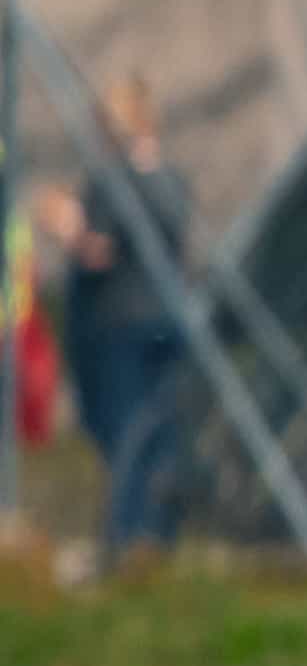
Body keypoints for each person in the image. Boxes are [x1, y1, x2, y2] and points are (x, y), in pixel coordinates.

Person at [43, 74, 200, 565]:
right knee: (158, 432)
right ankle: (156, 535)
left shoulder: (113, 183)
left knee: (121, 430)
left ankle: (127, 538)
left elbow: (99, 251)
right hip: (168, 319)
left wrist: (67, 228)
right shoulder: (173, 181)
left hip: (117, 324)